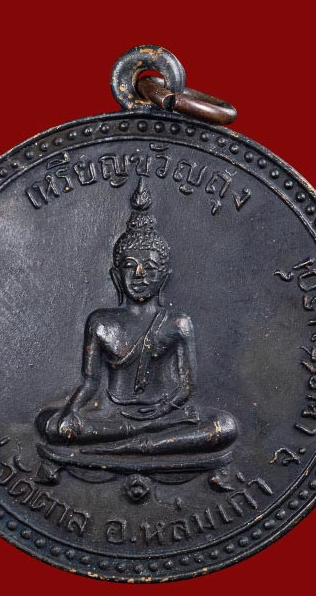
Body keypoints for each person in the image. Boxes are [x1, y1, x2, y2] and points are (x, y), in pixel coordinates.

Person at [39, 178, 237, 459]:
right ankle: (146, 439)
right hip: (112, 415)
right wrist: (71, 411)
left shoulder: (178, 323)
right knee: (51, 424)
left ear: (164, 278)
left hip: (165, 414)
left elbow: (187, 386)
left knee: (224, 426)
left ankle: (133, 442)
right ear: (116, 277)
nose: (140, 275)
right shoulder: (100, 322)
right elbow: (91, 383)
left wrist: (162, 411)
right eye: (130, 267)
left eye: (150, 268)